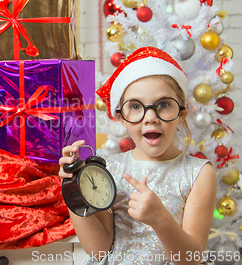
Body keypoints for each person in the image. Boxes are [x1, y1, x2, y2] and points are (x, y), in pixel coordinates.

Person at [59, 47, 217, 265]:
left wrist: (161, 220)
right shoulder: (110, 170)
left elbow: (191, 259)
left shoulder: (198, 173)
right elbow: (98, 250)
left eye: (163, 105)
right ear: (121, 118)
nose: (150, 117)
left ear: (182, 114)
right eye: (135, 106)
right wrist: (74, 189)